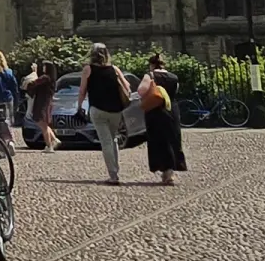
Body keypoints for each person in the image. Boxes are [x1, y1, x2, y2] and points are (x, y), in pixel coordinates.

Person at [76, 44, 134, 184]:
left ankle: (113, 175)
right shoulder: (114, 69)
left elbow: (82, 91)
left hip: (98, 109)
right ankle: (115, 170)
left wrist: (79, 106)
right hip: (116, 110)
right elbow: (127, 87)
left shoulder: (88, 69)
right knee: (113, 139)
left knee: (106, 141)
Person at [137, 63, 187, 185]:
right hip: (171, 109)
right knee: (172, 139)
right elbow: (175, 91)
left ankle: (166, 170)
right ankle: (169, 171)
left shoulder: (150, 75)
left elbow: (141, 90)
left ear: (152, 65)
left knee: (158, 141)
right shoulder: (173, 77)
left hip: (155, 110)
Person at [22, 57, 59, 151]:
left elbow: (34, 83)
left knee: (42, 124)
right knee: (44, 124)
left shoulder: (45, 78)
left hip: (42, 103)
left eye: (45, 66)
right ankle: (54, 139)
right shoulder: (50, 78)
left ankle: (49, 145)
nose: (43, 68)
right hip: (46, 102)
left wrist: (33, 75)